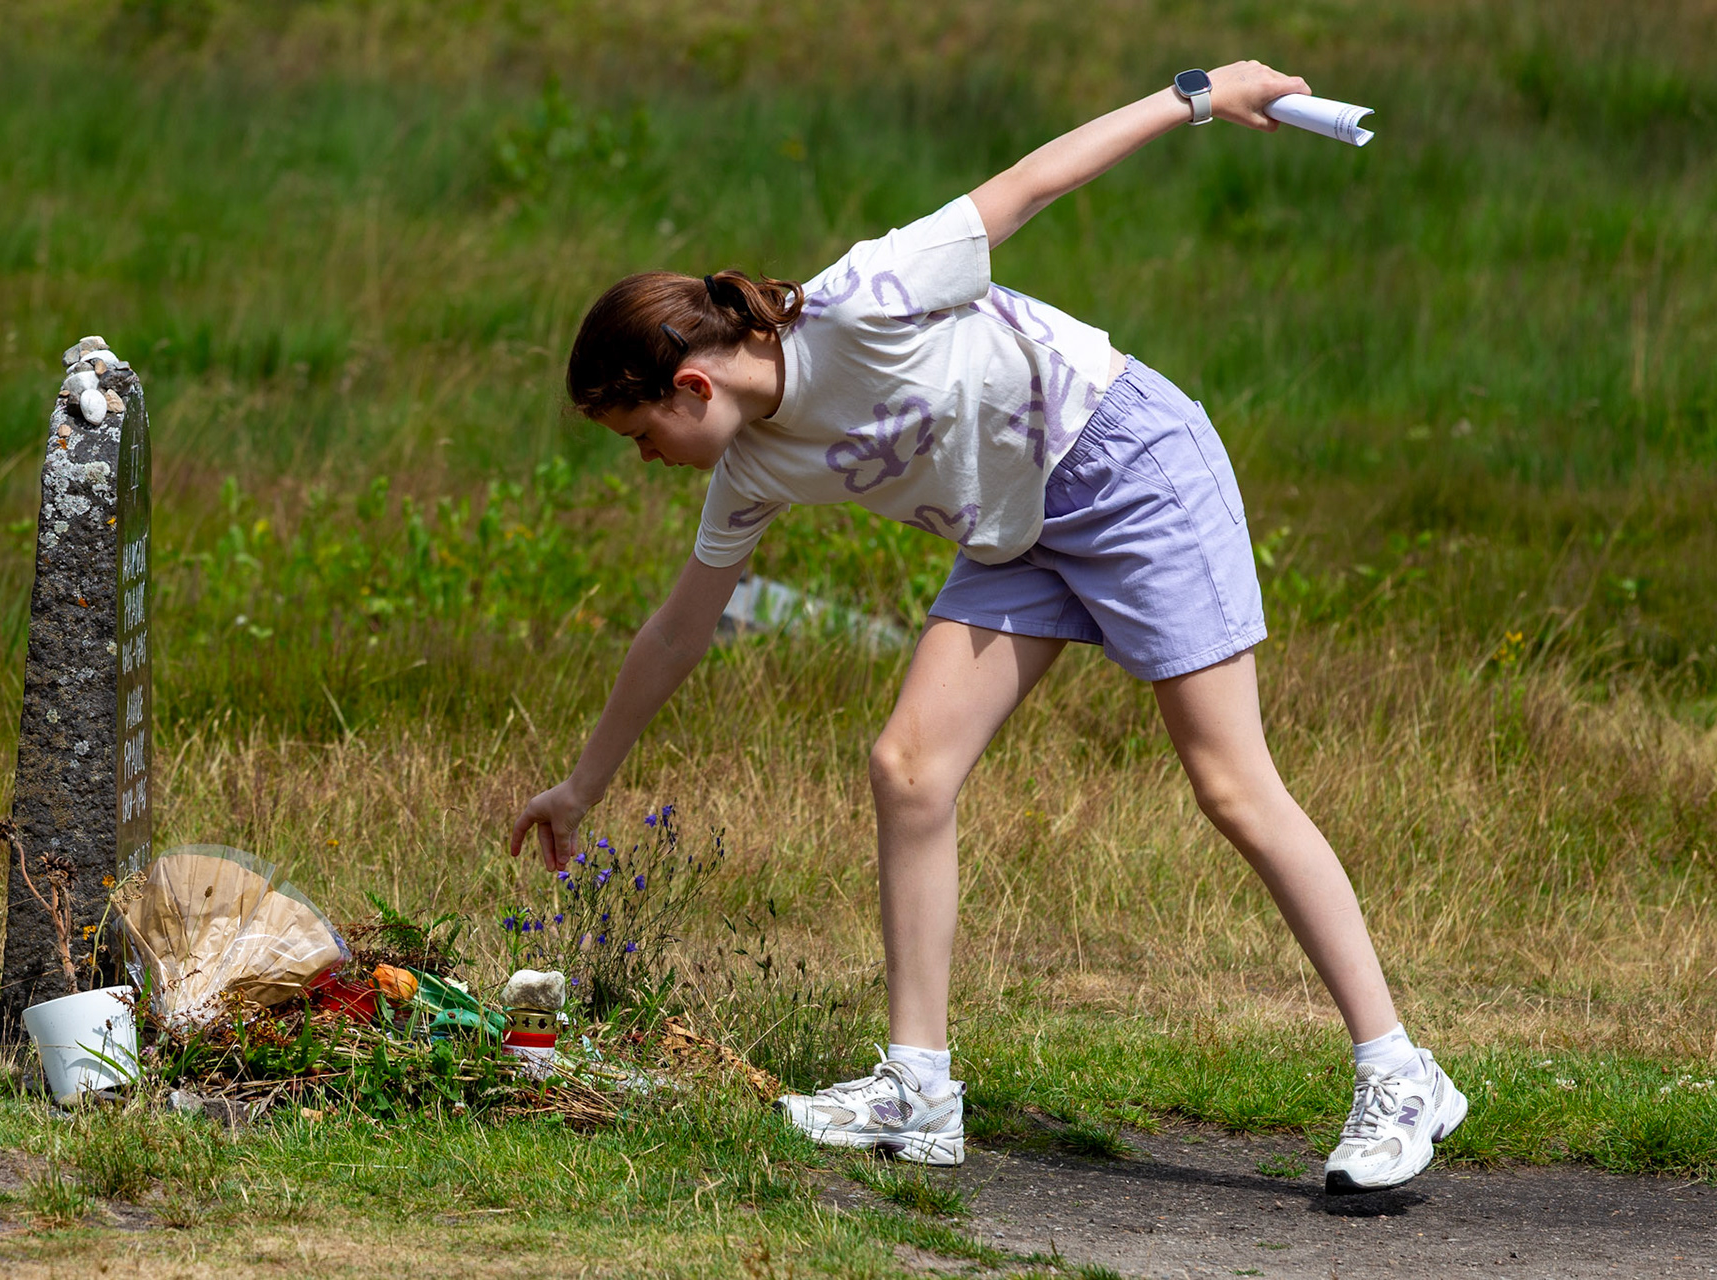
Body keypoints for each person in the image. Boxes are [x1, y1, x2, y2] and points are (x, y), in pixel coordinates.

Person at [510, 61, 1465, 1193]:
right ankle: (918, 1089)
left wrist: (1203, 95)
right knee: (909, 767)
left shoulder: (866, 298)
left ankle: (1400, 1072)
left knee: (1231, 783)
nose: (644, 458)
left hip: (1127, 466)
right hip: (1017, 531)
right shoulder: (752, 467)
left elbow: (1031, 183)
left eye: (639, 433)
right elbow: (678, 631)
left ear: (692, 388)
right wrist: (580, 787)